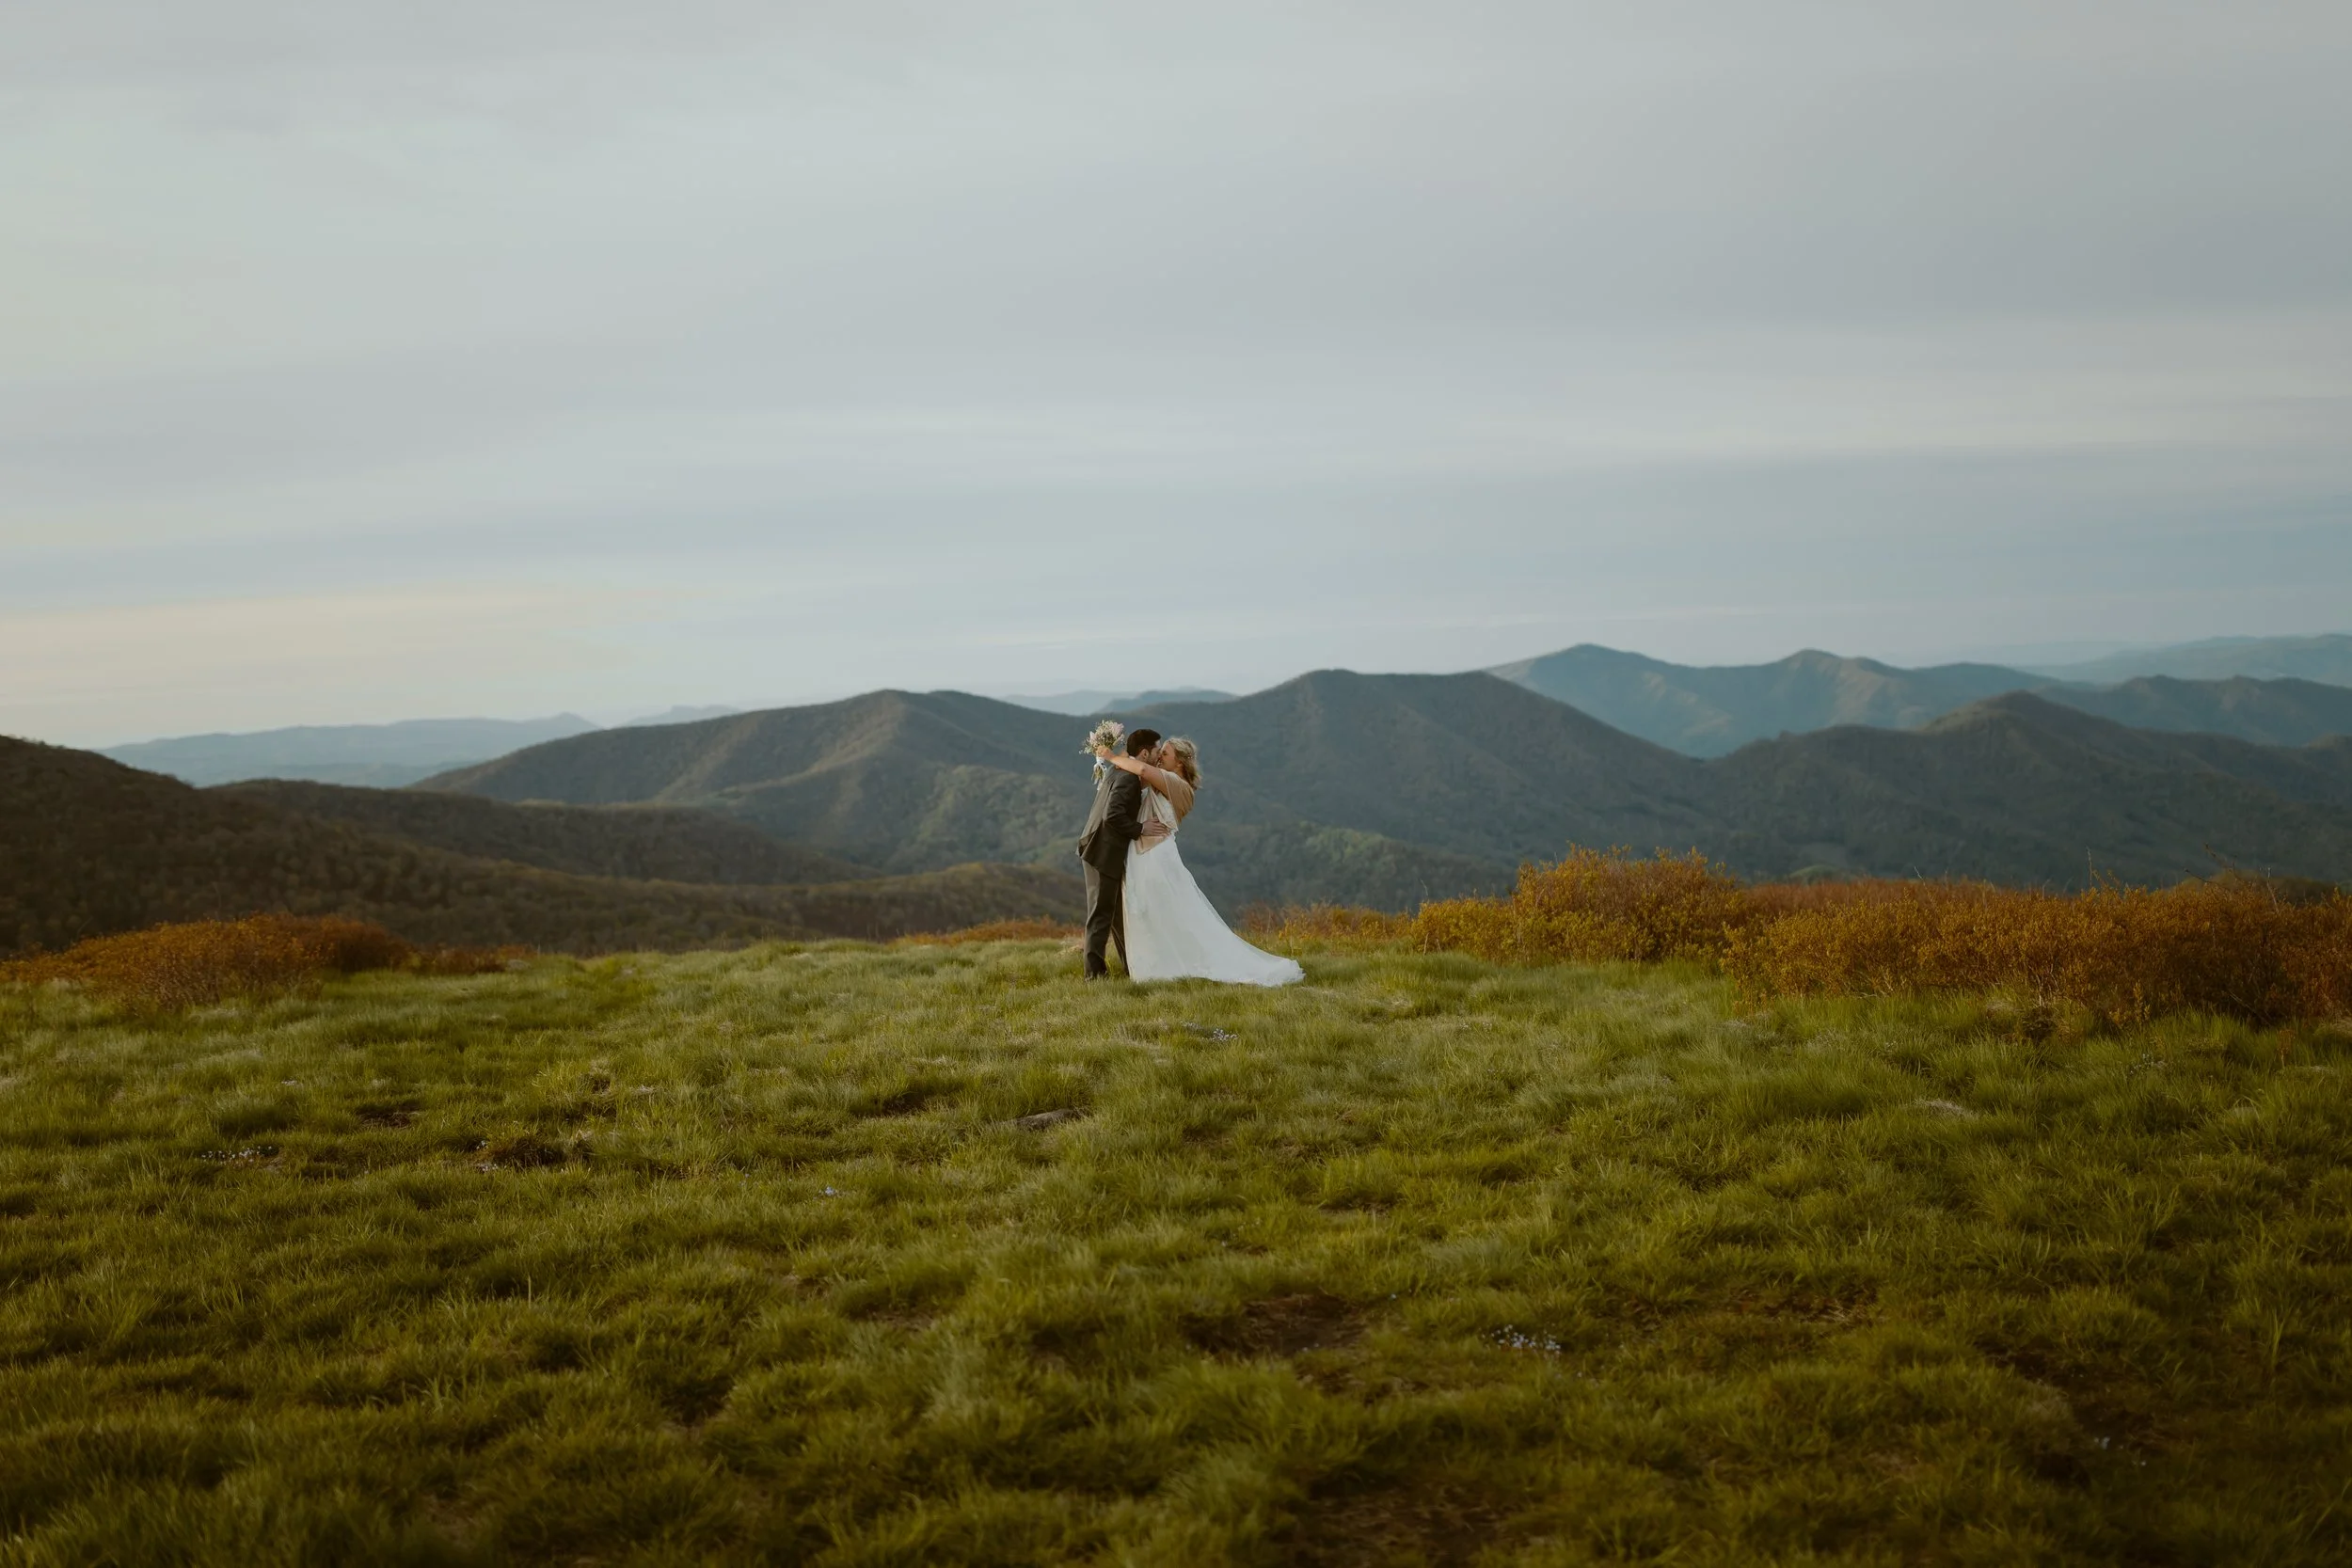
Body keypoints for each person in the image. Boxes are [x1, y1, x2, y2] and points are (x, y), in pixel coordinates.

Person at [1101, 736, 1303, 987]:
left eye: (1165, 753)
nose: (1159, 756)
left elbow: (1141, 768)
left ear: (1180, 763)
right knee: (1149, 910)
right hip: (1146, 852)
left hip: (1153, 856)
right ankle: (1153, 966)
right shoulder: (1170, 781)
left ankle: (1162, 968)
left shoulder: (1175, 781)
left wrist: (1109, 756)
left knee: (1154, 909)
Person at [1075, 727, 1168, 978]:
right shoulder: (1128, 778)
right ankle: (1094, 976)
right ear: (1145, 753)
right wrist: (1141, 828)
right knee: (1101, 916)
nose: (1160, 755)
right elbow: (1112, 815)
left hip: (1103, 851)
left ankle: (1132, 968)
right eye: (1158, 750)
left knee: (1117, 916)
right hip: (1101, 853)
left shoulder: (1121, 771)